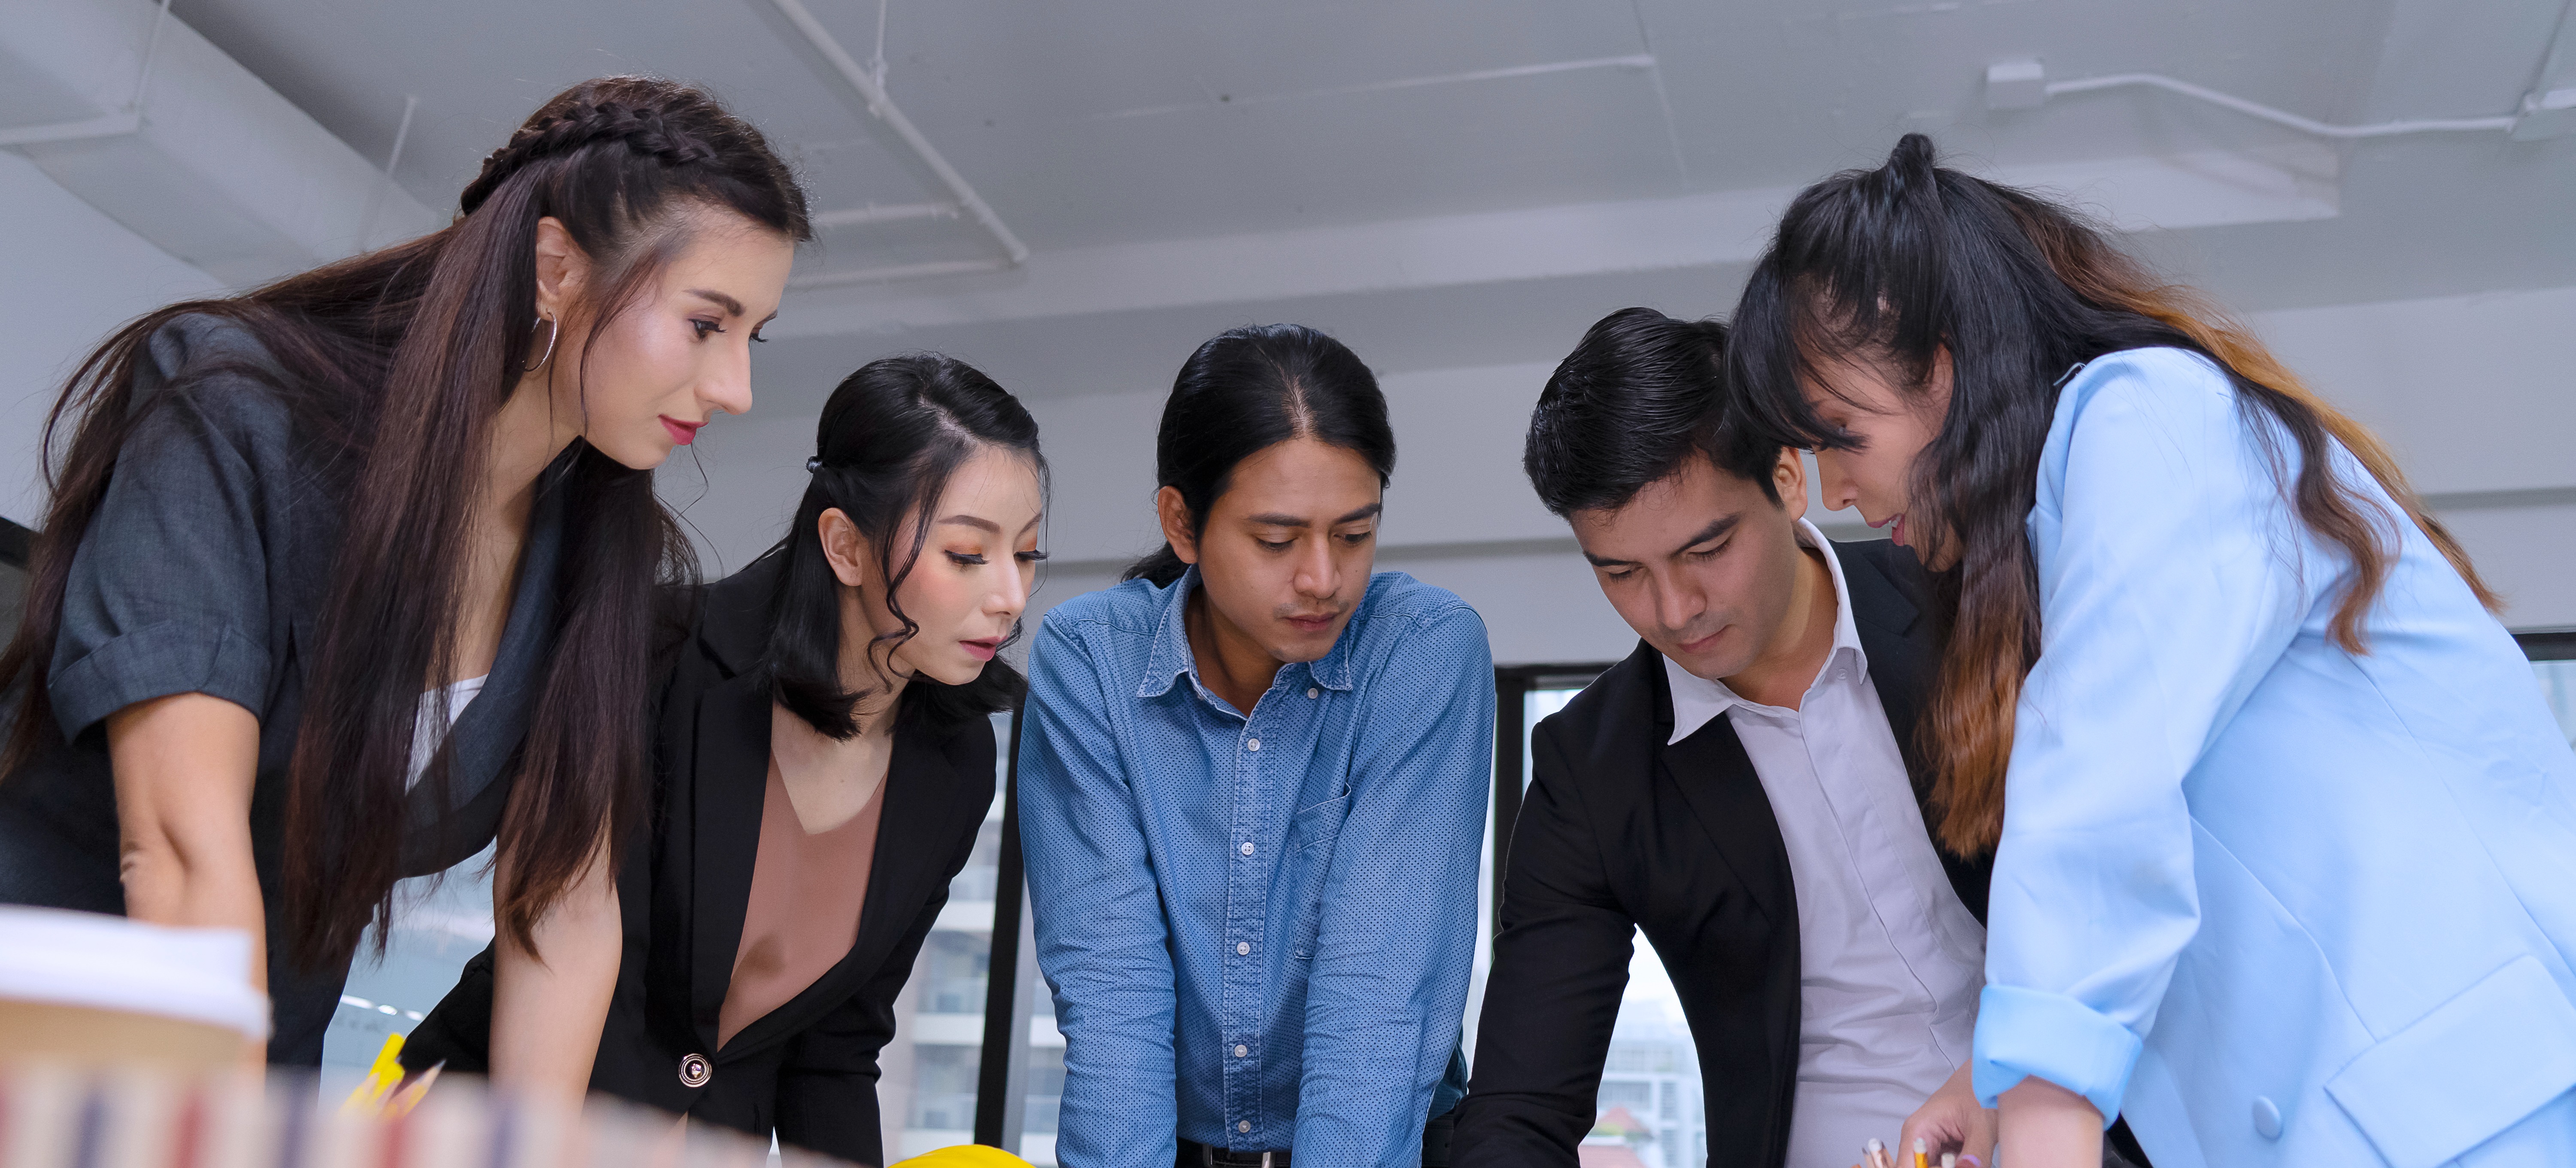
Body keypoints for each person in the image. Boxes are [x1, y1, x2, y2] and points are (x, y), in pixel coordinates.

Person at [1725, 134, 2576, 1167]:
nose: (1832, 494)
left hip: (2483, 1111)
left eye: (1840, 436)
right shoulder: (2072, 532)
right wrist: (1995, 1079)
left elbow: (2102, 777)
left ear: (1942, 373)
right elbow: (2161, 878)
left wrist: (2041, 1097)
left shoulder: (2150, 414)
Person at [0, 76, 808, 1091]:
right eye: (707, 323)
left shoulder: (598, 553)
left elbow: (563, 905)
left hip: (251, 1076)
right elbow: (176, 846)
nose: (736, 388)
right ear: (556, 269)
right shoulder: (231, 411)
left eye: (752, 336)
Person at [1454, 307, 2075, 1168]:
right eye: (1623, 573)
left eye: (1707, 549)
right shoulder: (1590, 772)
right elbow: (1516, 1112)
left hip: (2081, 1114)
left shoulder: (1972, 603)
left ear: (1788, 477)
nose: (1674, 610)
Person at [404, 355, 1042, 1163]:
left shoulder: (955, 762)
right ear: (845, 547)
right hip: (495, 1126)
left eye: (1025, 555)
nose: (1012, 598)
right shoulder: (659, 653)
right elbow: (574, 941)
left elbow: (837, 1051)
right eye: (966, 555)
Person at [1018, 324, 1492, 1168]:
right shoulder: (1090, 659)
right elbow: (1110, 983)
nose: (1323, 578)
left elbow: (1380, 987)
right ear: (1183, 523)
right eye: (1277, 540)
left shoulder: (1421, 648)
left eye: (1355, 533)